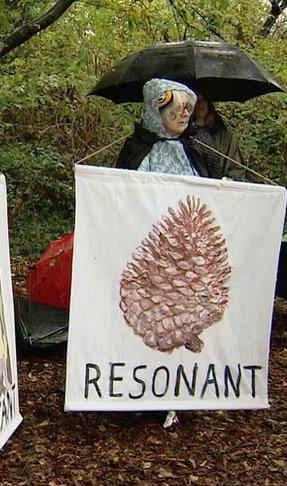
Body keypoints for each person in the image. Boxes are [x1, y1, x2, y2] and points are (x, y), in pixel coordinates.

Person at [115, 79, 208, 429]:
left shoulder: (194, 149)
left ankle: (170, 394)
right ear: (156, 111)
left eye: (187, 109)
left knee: (177, 324)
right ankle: (133, 394)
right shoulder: (136, 148)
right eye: (174, 109)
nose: (182, 115)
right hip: (145, 259)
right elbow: (120, 196)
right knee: (145, 322)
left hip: (182, 262)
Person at [116, 78, 208, 177]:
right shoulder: (134, 148)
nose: (186, 114)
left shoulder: (193, 147)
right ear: (157, 113)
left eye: (187, 108)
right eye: (179, 108)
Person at [184, 95, 247, 180]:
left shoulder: (223, 135)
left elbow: (237, 166)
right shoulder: (183, 133)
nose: (201, 104)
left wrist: (231, 179)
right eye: (197, 100)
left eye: (204, 100)